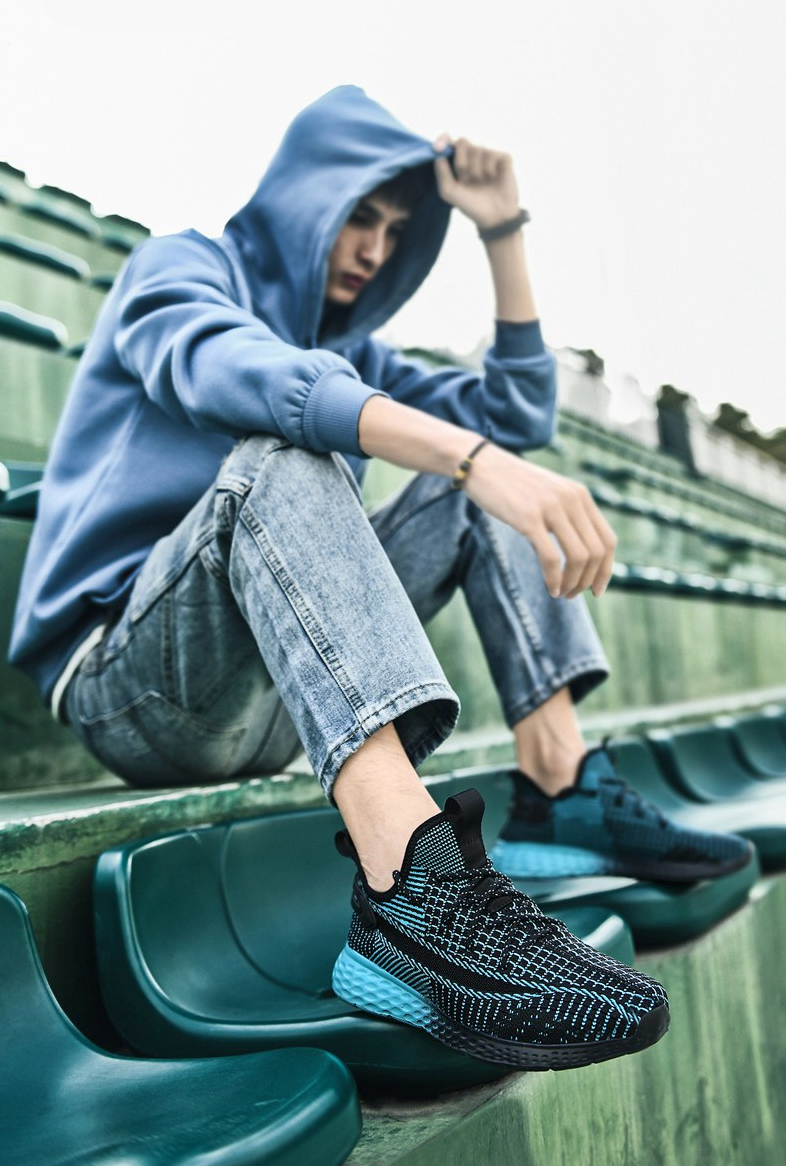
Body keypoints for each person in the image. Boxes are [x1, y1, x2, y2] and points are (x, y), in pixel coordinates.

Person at [10, 85, 749, 1069]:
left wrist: (503, 236)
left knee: (483, 483)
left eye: (398, 230)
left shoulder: (353, 348)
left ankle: (560, 785)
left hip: (276, 699)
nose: (374, 247)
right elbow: (230, 369)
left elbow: (515, 417)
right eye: (362, 214)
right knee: (290, 453)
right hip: (129, 684)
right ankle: (411, 892)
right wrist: (471, 457)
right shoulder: (181, 267)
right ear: (307, 194)